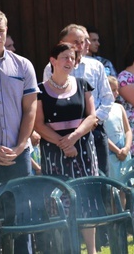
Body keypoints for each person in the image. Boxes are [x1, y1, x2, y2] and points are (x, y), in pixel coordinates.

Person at [35, 42, 99, 254]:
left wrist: (73, 138)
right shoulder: (40, 90)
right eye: (65, 57)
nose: (69, 61)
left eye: (72, 58)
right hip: (54, 154)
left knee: (86, 200)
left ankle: (92, 250)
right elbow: (38, 124)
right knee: (59, 203)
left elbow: (92, 116)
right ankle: (66, 250)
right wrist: (63, 144)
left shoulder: (83, 84)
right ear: (52, 60)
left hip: (83, 150)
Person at [43, 24, 114, 176]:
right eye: (76, 42)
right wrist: (67, 141)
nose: (80, 46)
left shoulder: (96, 66)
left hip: (93, 130)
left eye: (82, 42)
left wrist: (93, 121)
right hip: (60, 136)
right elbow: (47, 102)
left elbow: (108, 98)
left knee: (101, 181)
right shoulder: (51, 68)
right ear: (62, 43)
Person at [0, 9, 38, 190]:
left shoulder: (23, 65)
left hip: (18, 155)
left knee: (22, 213)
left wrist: (19, 147)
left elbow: (30, 109)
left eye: (1, 31)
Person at [105, 76, 132, 179]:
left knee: (126, 183)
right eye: (113, 90)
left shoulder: (119, 107)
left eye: (117, 90)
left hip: (124, 152)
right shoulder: (99, 109)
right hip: (111, 153)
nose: (117, 93)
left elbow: (128, 130)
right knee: (112, 184)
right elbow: (102, 134)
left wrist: (127, 148)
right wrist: (117, 151)